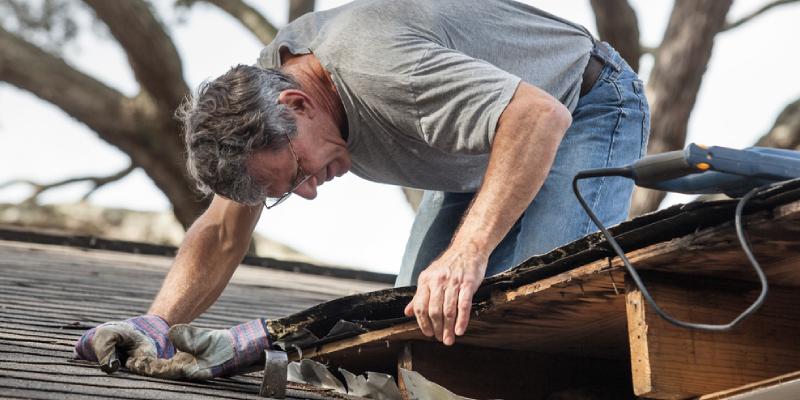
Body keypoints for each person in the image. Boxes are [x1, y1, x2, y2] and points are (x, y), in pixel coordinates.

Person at [74, 0, 649, 379]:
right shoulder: (255, 107)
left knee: (537, 314)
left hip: (582, 104)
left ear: (297, 105)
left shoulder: (379, 70)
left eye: (298, 172)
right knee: (420, 334)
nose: (308, 192)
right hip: (478, 150)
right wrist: (156, 324)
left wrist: (468, 253)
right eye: (286, 189)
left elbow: (536, 117)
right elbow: (224, 230)